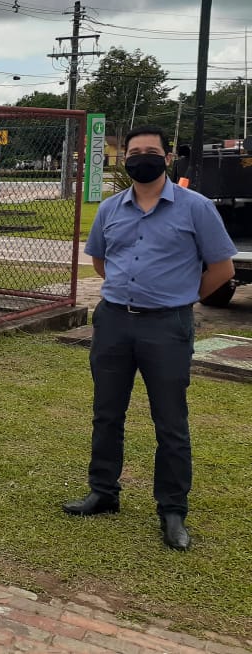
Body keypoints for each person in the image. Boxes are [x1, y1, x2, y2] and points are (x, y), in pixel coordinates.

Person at [63, 125, 236, 551]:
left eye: (151, 151)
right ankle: (103, 492)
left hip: (167, 326)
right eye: (135, 151)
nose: (142, 157)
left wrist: (180, 299)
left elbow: (222, 269)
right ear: (126, 159)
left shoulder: (196, 208)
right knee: (107, 413)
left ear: (167, 156)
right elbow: (102, 263)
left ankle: (172, 510)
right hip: (115, 323)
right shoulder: (110, 209)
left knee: (170, 421)